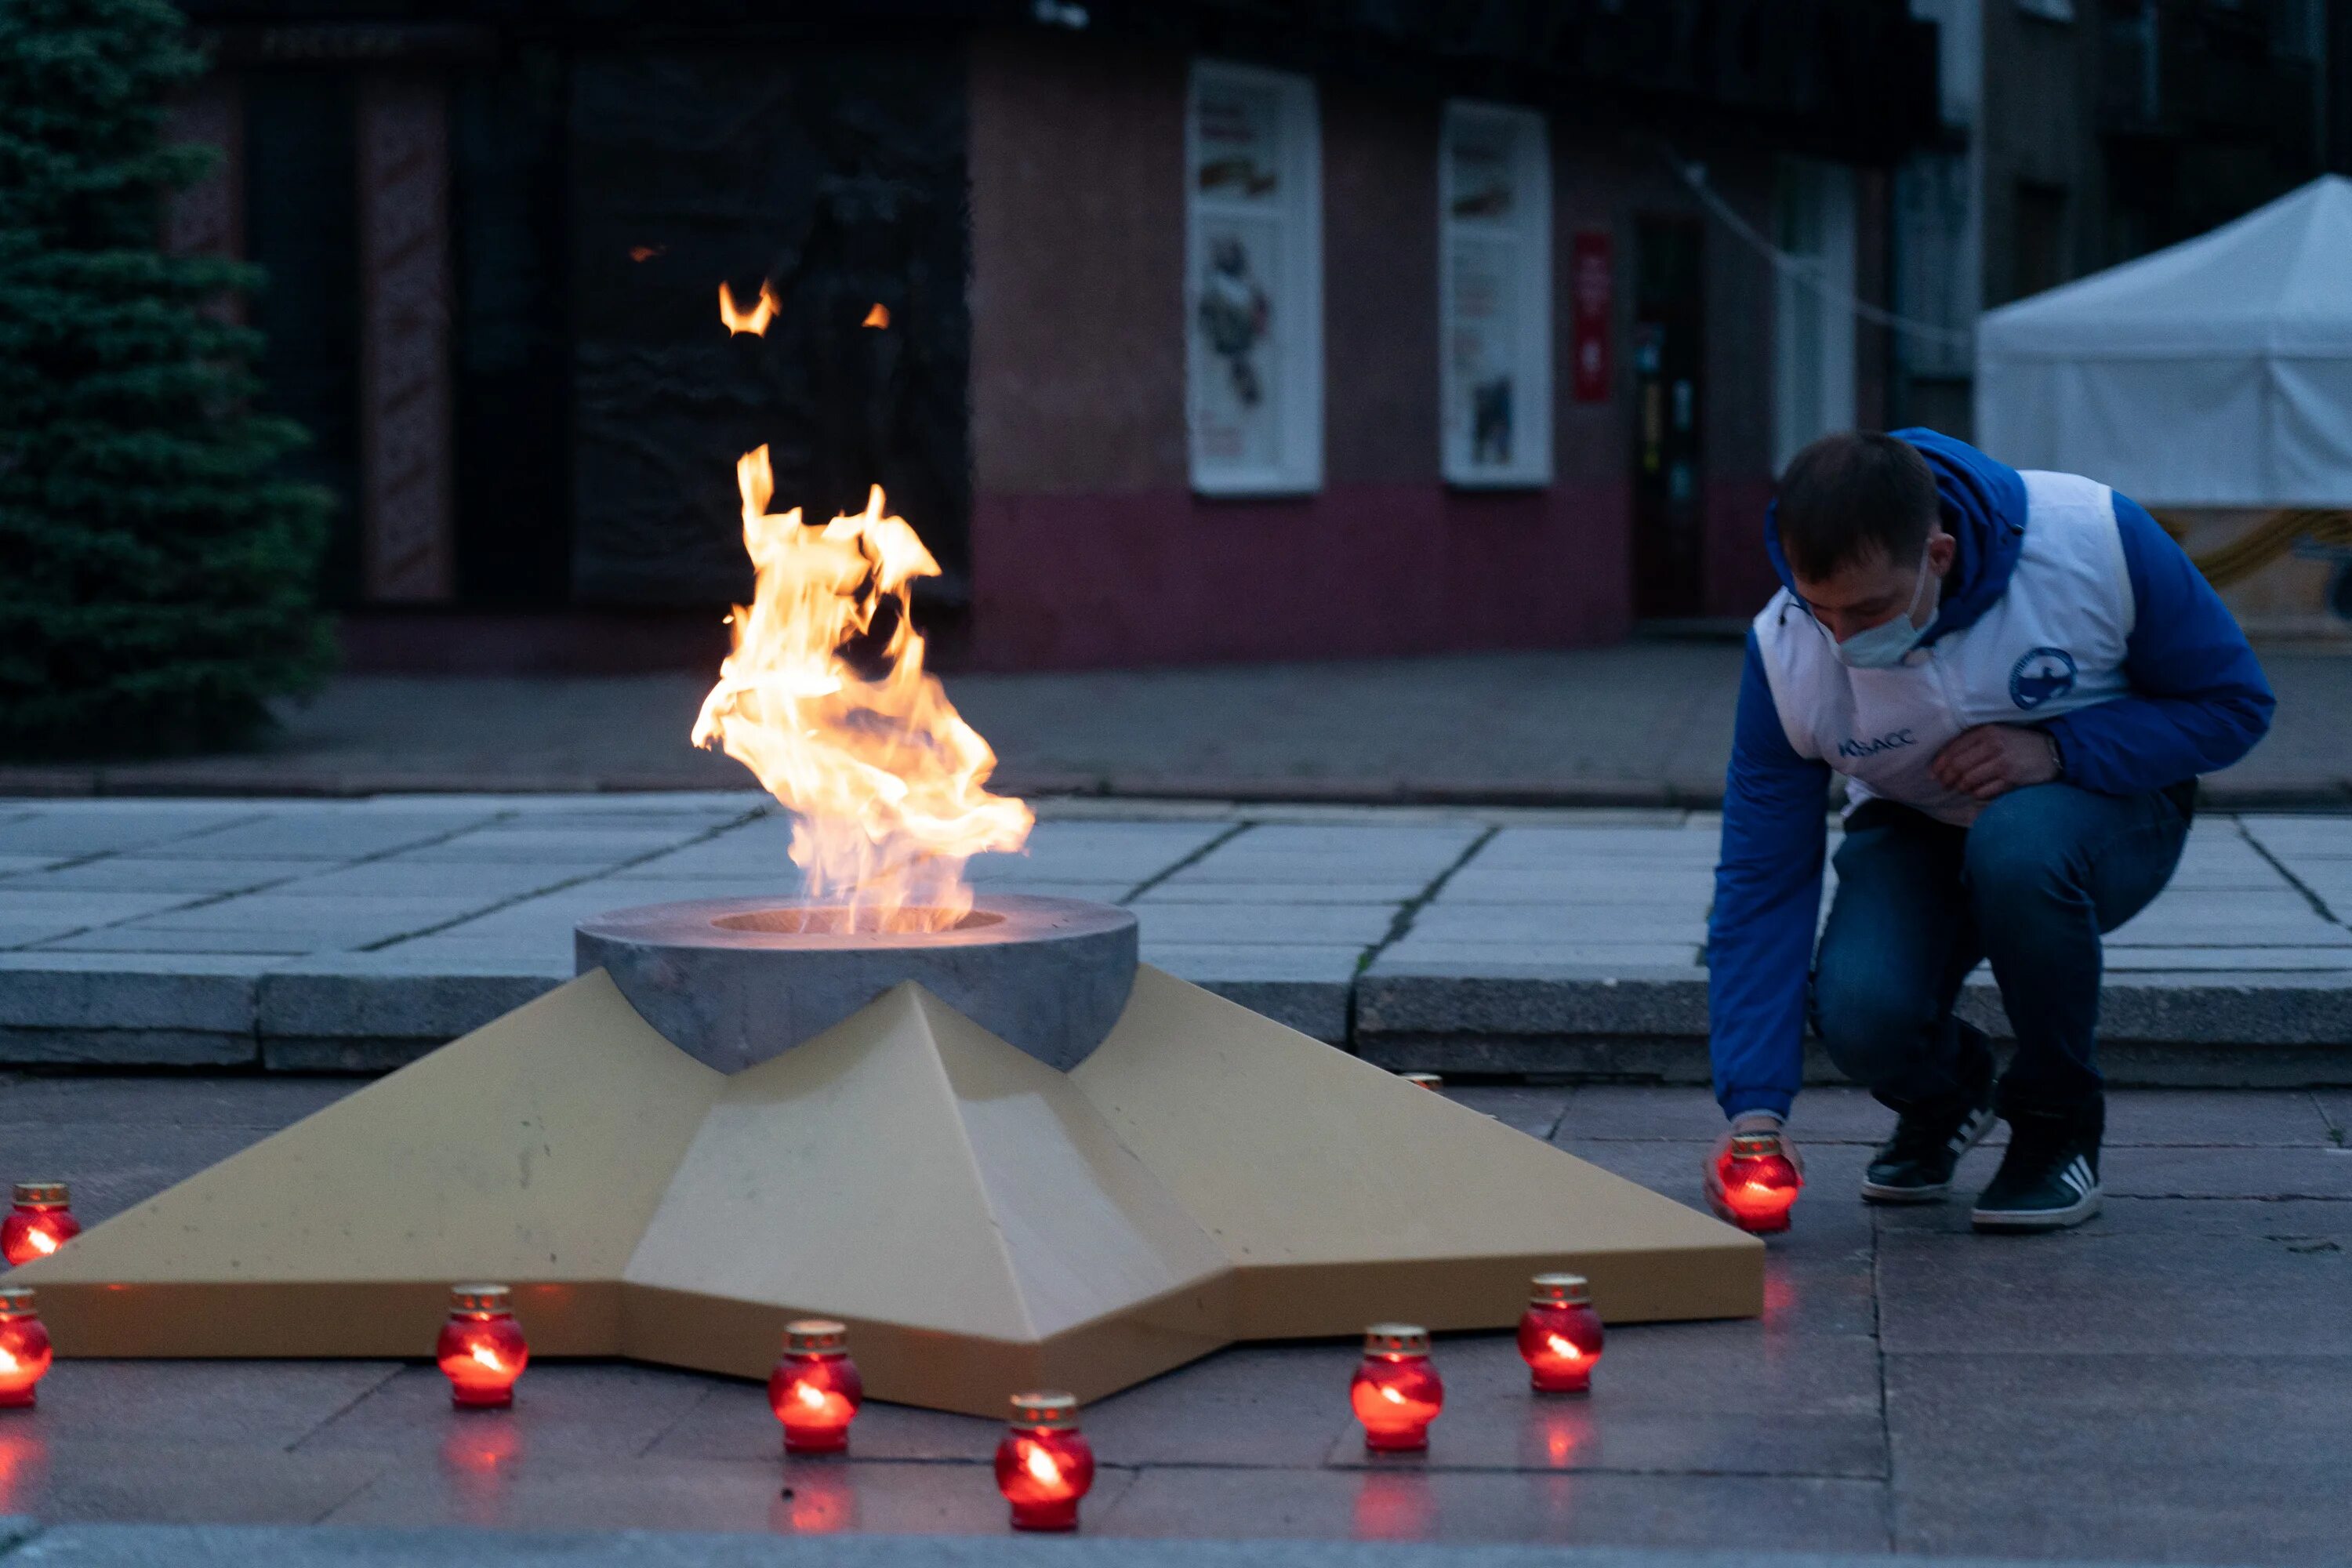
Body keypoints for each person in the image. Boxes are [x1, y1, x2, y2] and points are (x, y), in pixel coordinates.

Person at [1704, 430, 2273, 1232]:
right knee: (1861, 1011)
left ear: (1937, 553)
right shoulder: (1785, 651)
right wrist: (1753, 1109)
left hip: (2102, 809)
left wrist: (2059, 748)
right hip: (1917, 821)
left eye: (1868, 610)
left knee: (2019, 844)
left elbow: (2234, 705)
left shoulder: (2092, 537)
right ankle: (1947, 1095)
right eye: (1817, 605)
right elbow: (1762, 878)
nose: (1841, 637)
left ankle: (2057, 1123)